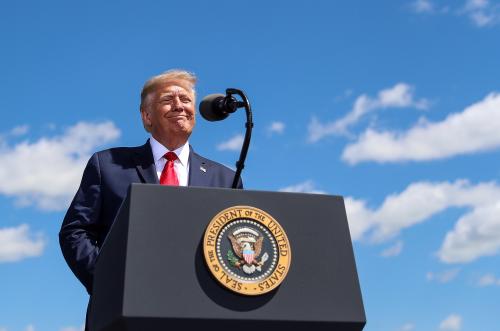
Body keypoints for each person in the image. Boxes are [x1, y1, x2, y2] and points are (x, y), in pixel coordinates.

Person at [59, 69, 242, 296]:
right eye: (167, 100)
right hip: (124, 308)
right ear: (147, 116)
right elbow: (75, 231)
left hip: (202, 305)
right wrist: (108, 282)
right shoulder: (107, 165)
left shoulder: (226, 179)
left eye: (185, 99)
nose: (179, 106)